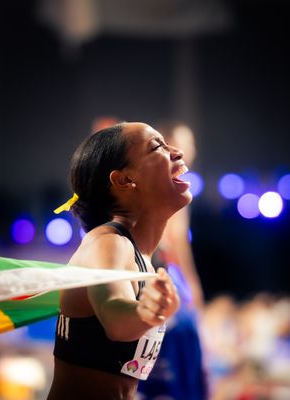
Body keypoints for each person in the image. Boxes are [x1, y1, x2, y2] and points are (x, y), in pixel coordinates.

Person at [47, 122, 191, 400]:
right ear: (124, 180)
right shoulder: (107, 242)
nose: (178, 152)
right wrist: (147, 313)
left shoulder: (143, 259)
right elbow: (114, 316)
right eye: (158, 146)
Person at [137, 121, 208, 400]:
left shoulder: (175, 188)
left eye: (191, 144)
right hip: (158, 274)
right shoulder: (166, 189)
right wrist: (192, 285)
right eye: (183, 143)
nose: (189, 150)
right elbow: (176, 247)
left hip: (162, 274)